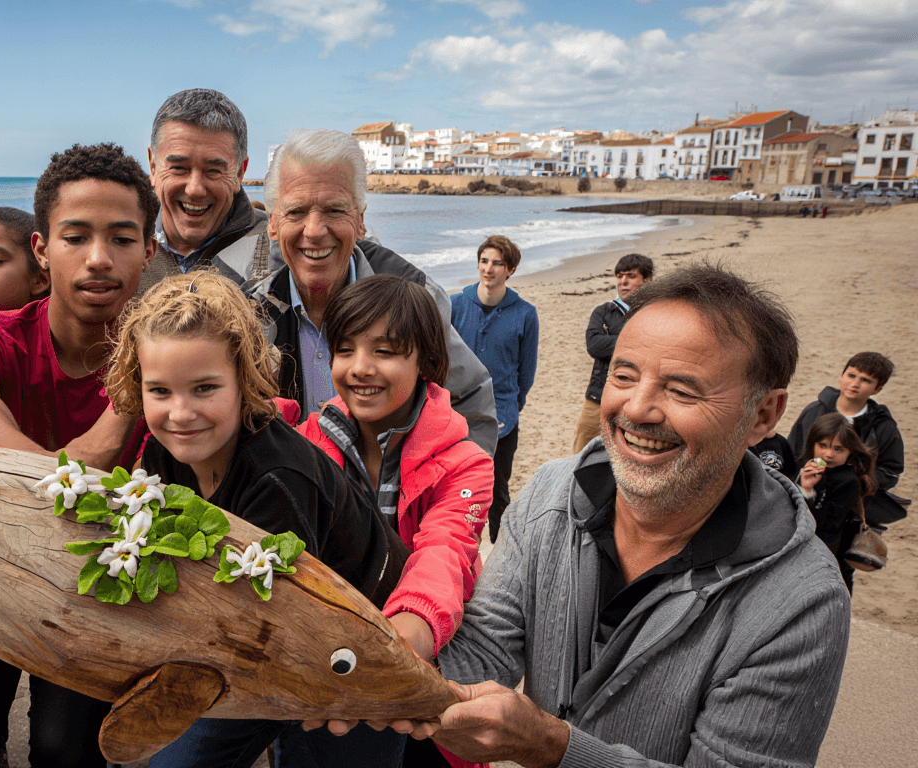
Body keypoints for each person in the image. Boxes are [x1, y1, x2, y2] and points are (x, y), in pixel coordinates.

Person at [358, 264, 850, 767]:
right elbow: (486, 646)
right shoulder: (551, 493)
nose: (637, 409)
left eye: (681, 391)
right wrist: (371, 674)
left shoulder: (801, 602)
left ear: (763, 415)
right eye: (624, 375)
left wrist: (556, 748)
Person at [0, 142, 160, 768]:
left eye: (122, 238)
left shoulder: (171, 362)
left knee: (66, 749)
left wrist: (139, 378)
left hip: (102, 589)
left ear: (150, 251)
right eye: (75, 237)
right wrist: (77, 469)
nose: (99, 259)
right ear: (42, 249)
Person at [104, 270, 407, 768]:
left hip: (361, 640)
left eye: (204, 388)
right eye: (160, 391)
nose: (180, 414)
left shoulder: (280, 477)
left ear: (245, 379)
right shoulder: (162, 458)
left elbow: (282, 617)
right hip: (255, 637)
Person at [292, 274, 492, 768]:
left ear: (425, 360)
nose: (361, 368)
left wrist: (405, 635)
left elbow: (445, 551)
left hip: (423, 654)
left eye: (385, 351)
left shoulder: (467, 463)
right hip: (325, 660)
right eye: (344, 349)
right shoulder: (306, 441)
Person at [246, 128, 499, 455]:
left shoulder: (414, 299)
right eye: (296, 211)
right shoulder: (252, 315)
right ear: (273, 224)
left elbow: (470, 399)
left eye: (335, 210)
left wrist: (453, 493)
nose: (315, 230)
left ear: (360, 219)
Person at [136, 88, 272, 294]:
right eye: (179, 168)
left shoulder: (279, 254)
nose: (195, 189)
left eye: (213, 171)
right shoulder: (118, 244)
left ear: (239, 173)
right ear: (153, 166)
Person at [449, 235, 538, 542]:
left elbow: (526, 374)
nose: (488, 269)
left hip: (503, 416)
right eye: (484, 261)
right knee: (456, 490)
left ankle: (501, 558)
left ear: (510, 269)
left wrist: (511, 406)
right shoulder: (455, 305)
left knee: (498, 492)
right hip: (457, 413)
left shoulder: (525, 313)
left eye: (497, 263)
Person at [787, 352, 904, 505]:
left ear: (877, 389)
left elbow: (890, 472)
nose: (855, 384)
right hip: (805, 494)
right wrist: (803, 477)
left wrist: (854, 481)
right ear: (842, 375)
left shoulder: (883, 426)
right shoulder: (814, 411)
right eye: (851, 375)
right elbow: (791, 453)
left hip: (853, 505)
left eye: (865, 380)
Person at [571, 253, 653, 454]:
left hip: (637, 401)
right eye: (620, 276)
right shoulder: (604, 311)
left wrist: (613, 340)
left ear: (647, 280)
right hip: (597, 398)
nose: (623, 282)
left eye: (631, 276)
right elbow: (594, 346)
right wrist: (639, 343)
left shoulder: (655, 313)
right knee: (580, 455)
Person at [798, 413, 879, 593]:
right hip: (803, 546)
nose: (828, 454)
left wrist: (807, 490)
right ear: (812, 444)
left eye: (838, 449)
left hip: (827, 552)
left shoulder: (849, 481)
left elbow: (827, 524)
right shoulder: (806, 467)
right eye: (822, 446)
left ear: (850, 451)